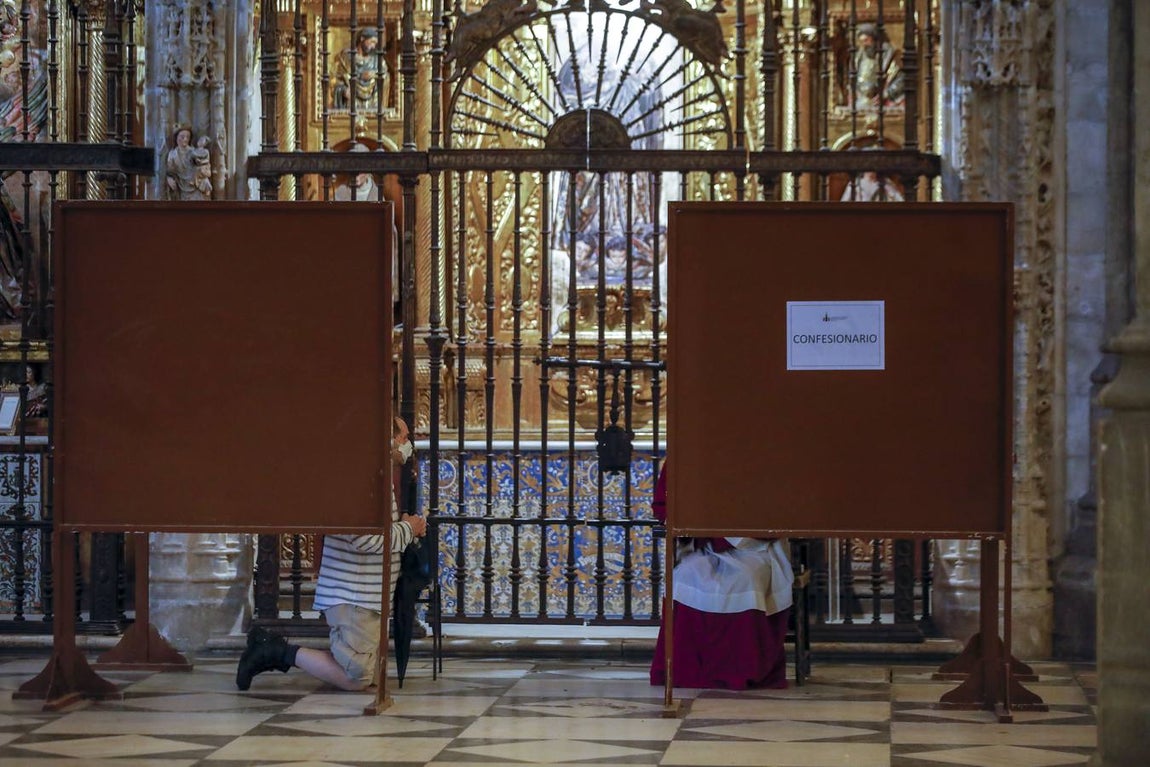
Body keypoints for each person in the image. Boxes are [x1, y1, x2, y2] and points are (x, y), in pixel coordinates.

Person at [236, 416, 427, 691]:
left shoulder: (375, 473)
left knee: (369, 673)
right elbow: (366, 540)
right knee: (357, 677)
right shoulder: (358, 479)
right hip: (354, 593)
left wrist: (404, 525)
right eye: (401, 439)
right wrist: (408, 529)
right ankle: (274, 651)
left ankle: (273, 649)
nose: (405, 447)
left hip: (368, 593)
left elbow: (380, 523)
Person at [649, 463, 795, 689]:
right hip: (703, 545)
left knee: (746, 577)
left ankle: (744, 670)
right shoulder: (688, 453)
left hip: (754, 548)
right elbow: (665, 503)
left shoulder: (763, 454)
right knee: (685, 575)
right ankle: (684, 670)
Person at [332, 27, 389, 113]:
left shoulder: (377, 61)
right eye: (372, 42)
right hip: (351, 105)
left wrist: (374, 76)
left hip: (372, 105)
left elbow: (386, 78)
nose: (373, 46)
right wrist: (343, 90)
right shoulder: (346, 59)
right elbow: (335, 80)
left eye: (375, 43)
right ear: (362, 38)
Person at [853, 22, 904, 108]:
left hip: (886, 103)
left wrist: (885, 94)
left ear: (874, 40)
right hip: (863, 102)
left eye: (866, 40)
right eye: (862, 41)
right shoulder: (860, 56)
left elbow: (902, 79)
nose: (864, 45)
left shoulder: (891, 55)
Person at [165, 126, 210, 201]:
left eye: (187, 137)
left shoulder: (193, 152)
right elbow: (170, 171)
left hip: (195, 186)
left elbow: (203, 160)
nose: (185, 139)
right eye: (182, 137)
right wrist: (169, 178)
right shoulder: (172, 154)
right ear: (176, 137)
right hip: (180, 186)